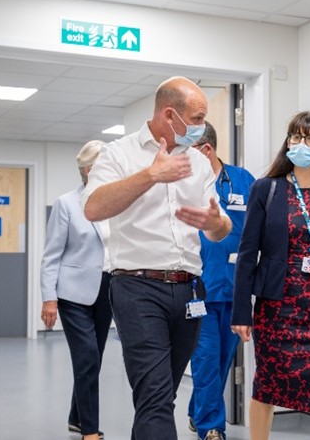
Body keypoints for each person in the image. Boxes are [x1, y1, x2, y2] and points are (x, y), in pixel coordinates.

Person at [81, 76, 232, 440]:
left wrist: (216, 222)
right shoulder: (119, 153)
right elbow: (93, 207)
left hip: (190, 293)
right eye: (196, 118)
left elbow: (219, 227)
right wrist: (151, 175)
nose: (201, 128)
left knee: (161, 395)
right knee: (155, 396)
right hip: (137, 288)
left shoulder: (198, 161)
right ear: (170, 114)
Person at [231, 111, 310, 440]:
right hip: (277, 310)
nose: (301, 144)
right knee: (266, 386)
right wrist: (241, 312)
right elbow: (248, 254)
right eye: (295, 137)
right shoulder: (267, 189)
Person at [187, 121, 255, 440]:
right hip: (196, 290)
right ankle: (212, 427)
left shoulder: (242, 181)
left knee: (222, 361)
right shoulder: (183, 185)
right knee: (204, 358)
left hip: (233, 288)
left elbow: (258, 231)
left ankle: (196, 410)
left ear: (206, 150)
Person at [40, 139, 112, 440]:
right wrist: (49, 299)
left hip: (107, 289)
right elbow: (51, 254)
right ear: (89, 169)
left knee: (92, 359)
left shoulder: (116, 201)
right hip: (73, 295)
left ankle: (75, 417)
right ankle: (90, 431)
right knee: (87, 359)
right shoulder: (66, 203)